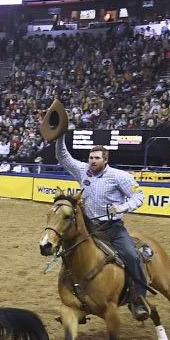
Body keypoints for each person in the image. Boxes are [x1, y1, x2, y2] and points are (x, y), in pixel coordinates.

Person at [53, 137, 150, 321]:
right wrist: (60, 136)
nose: (93, 161)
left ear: (106, 160)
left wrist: (122, 208)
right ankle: (75, 303)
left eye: (97, 158)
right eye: (91, 157)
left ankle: (138, 299)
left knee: (131, 255)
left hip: (113, 228)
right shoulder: (83, 171)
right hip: (90, 228)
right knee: (70, 257)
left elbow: (139, 196)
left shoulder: (119, 176)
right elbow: (62, 156)